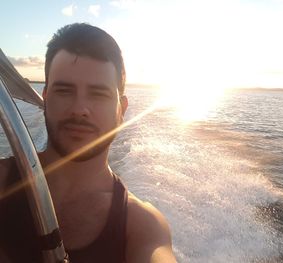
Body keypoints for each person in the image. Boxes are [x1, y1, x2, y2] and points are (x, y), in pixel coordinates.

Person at [0, 23, 176, 263]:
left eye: (98, 94)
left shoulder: (141, 226)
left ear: (121, 109)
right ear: (46, 98)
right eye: (64, 90)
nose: (80, 109)